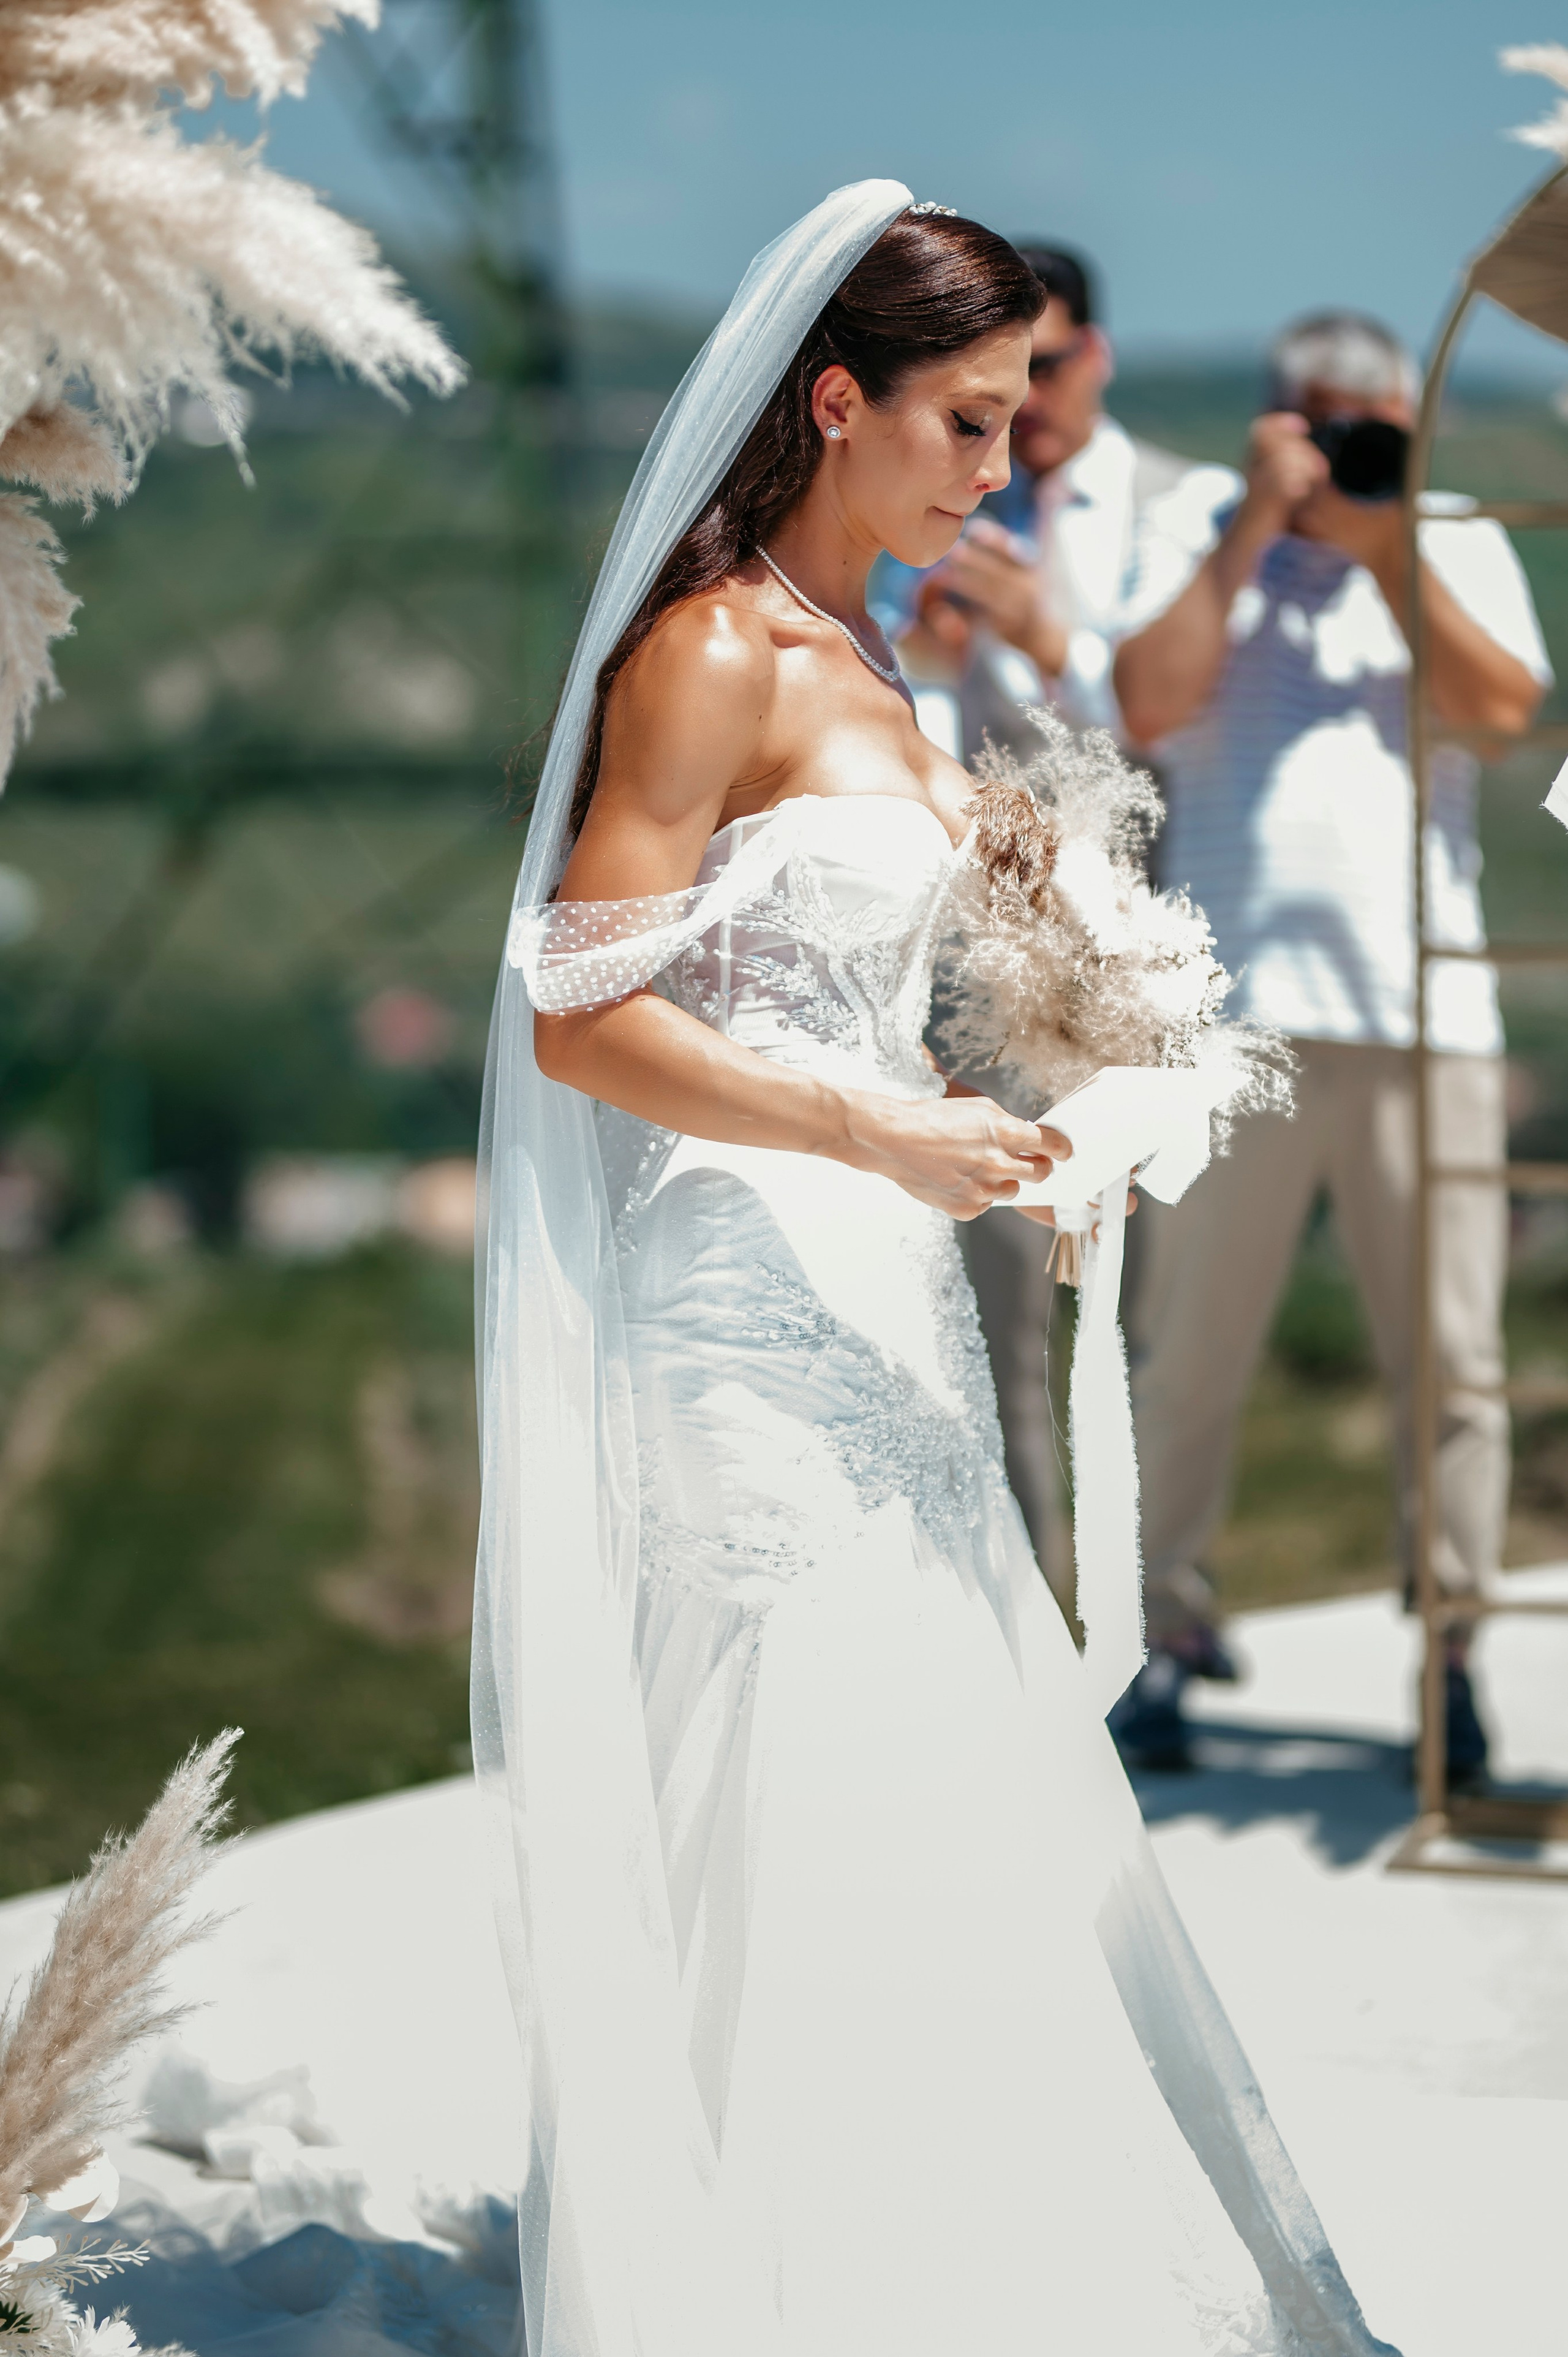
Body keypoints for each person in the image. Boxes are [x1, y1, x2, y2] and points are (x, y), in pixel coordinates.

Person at [473, 186, 1399, 2355]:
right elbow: (577, 1013)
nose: (1002, 469)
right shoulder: (711, 649)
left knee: (937, 1765)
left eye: (1017, 421)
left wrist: (1072, 1112)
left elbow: (922, 975)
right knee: (806, 1755)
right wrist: (870, 1126)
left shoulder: (886, 659)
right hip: (743, 1279)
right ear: (834, 401)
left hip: (886, 1281)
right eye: (968, 422)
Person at [1112, 311, 1550, 1774]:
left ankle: (1448, 1655)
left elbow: (1499, 717)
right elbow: (1144, 702)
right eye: (1318, 419)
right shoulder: (1192, 523)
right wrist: (1252, 521)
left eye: (1372, 421)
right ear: (1268, 417)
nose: (1346, 444)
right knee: (1185, 1356)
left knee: (1448, 1364)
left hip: (1422, 1013)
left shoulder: (1444, 534)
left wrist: (1381, 547)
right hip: (1225, 1014)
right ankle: (1160, 1636)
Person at [896, 244, 1197, 1586]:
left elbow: (1186, 741)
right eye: (999, 378)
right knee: (1004, 1310)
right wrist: (930, 660)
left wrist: (1054, 639)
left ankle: (1158, 1603)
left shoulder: (1192, 511)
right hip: (999, 956)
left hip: (1154, 957)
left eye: (1052, 363)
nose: (1029, 398)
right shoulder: (942, 500)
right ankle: (1034, 1614)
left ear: (1101, 356)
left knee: (1153, 1310)